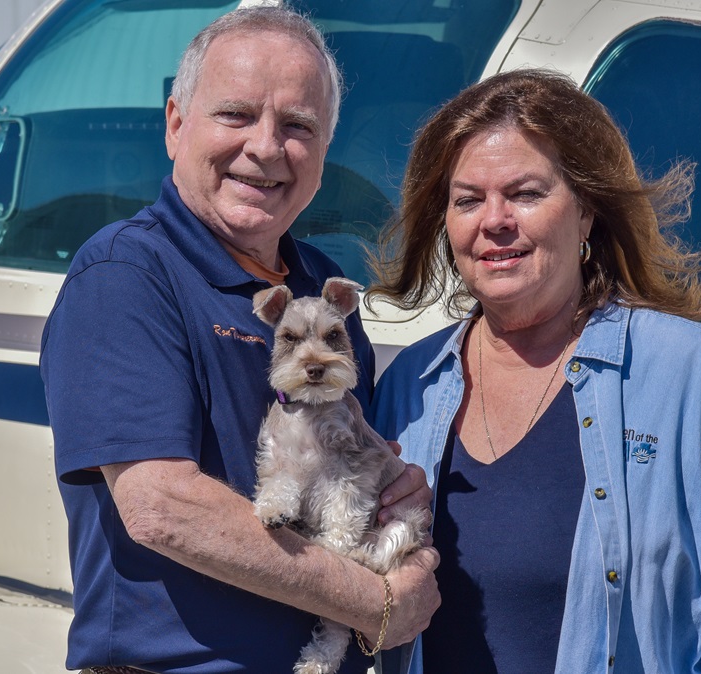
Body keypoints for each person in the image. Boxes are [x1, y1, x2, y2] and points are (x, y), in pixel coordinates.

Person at [366, 68, 701, 673]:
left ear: (586, 215)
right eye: (467, 200)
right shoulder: (408, 386)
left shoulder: (691, 375)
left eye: (526, 193)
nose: (494, 220)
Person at [40, 7, 439, 673]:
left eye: (297, 127)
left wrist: (399, 490)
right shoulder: (126, 274)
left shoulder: (322, 286)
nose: (265, 147)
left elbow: (347, 453)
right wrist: (373, 601)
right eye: (235, 115)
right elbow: (161, 506)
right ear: (175, 125)